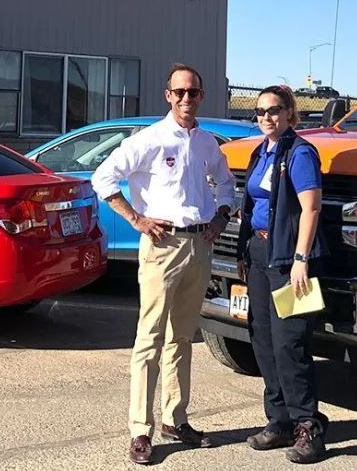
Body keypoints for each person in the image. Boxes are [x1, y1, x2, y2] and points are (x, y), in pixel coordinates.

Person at [91, 63, 236, 465]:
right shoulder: (150, 140)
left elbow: (226, 183)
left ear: (202, 97)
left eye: (194, 92)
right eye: (180, 92)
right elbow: (103, 177)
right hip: (162, 245)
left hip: (199, 244)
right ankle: (141, 429)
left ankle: (176, 418)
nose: (187, 99)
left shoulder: (207, 143)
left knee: (183, 338)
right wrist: (136, 218)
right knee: (149, 338)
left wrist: (222, 216)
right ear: (168, 96)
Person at [236, 84, 328, 464]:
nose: (266, 118)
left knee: (291, 343)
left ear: (291, 112)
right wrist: (244, 251)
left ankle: (308, 425)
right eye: (259, 112)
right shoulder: (262, 151)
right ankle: (279, 421)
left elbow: (311, 209)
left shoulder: (300, 153)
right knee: (262, 339)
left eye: (274, 110)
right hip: (259, 254)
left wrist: (301, 259)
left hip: (289, 259)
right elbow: (251, 203)